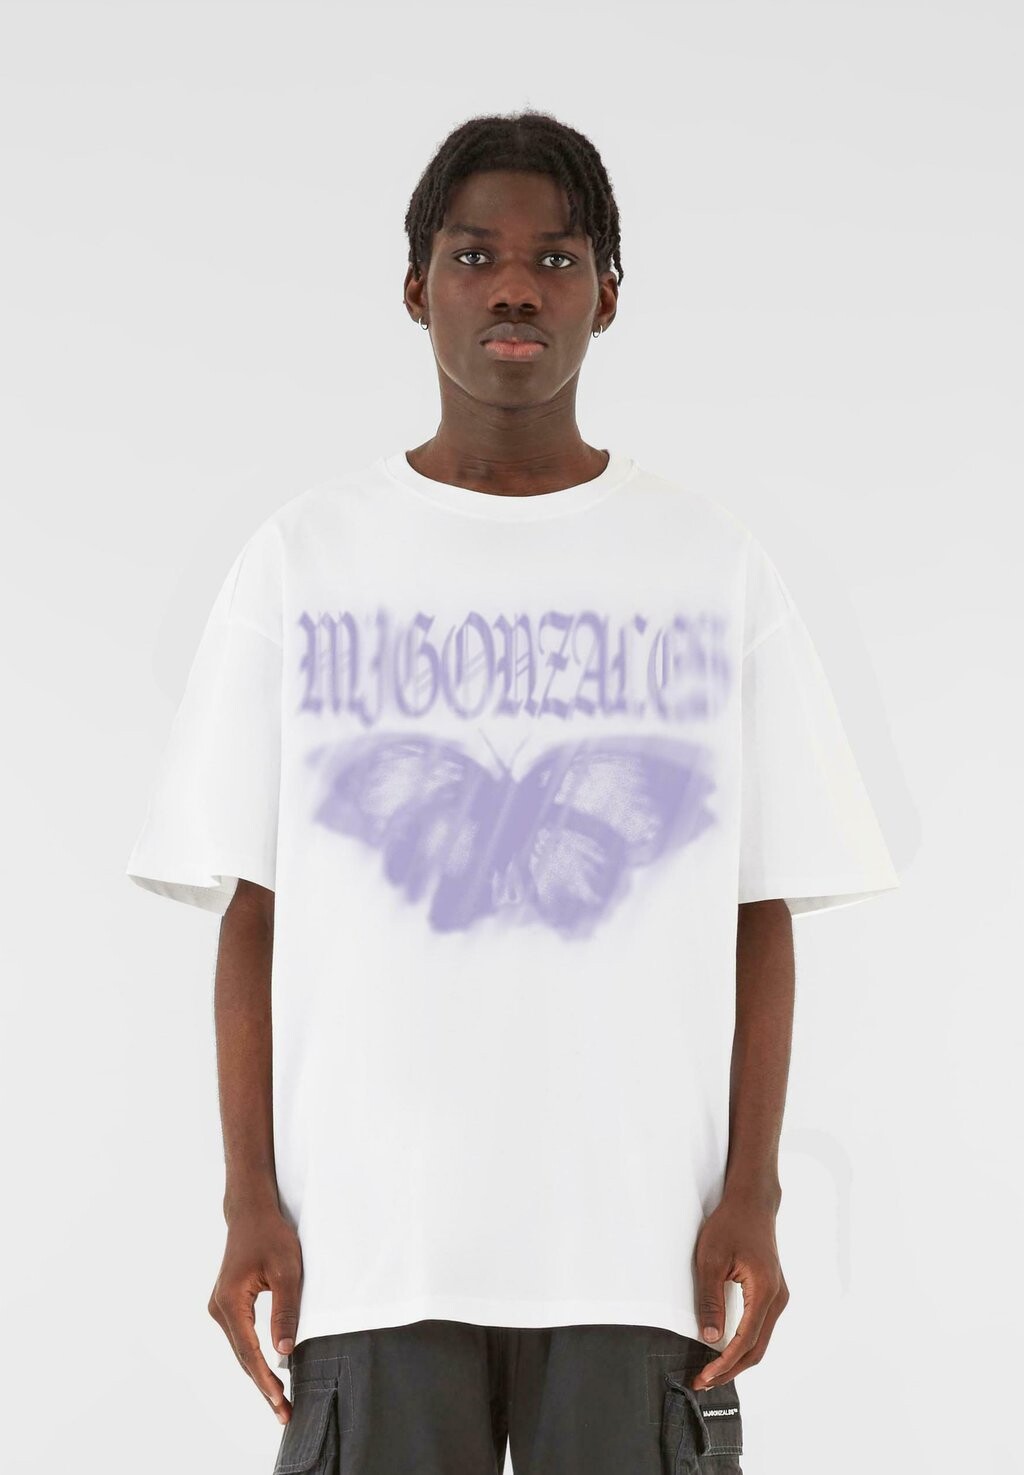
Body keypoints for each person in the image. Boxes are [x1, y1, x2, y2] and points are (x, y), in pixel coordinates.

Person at [125, 109, 900, 1475]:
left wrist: (754, 1192)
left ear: (610, 294)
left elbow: (758, 908)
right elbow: (255, 908)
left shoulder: (709, 564)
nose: (516, 287)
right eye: (475, 254)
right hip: (372, 1249)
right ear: (415, 287)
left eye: (557, 257)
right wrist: (249, 1198)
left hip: (639, 1252)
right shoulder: (303, 561)